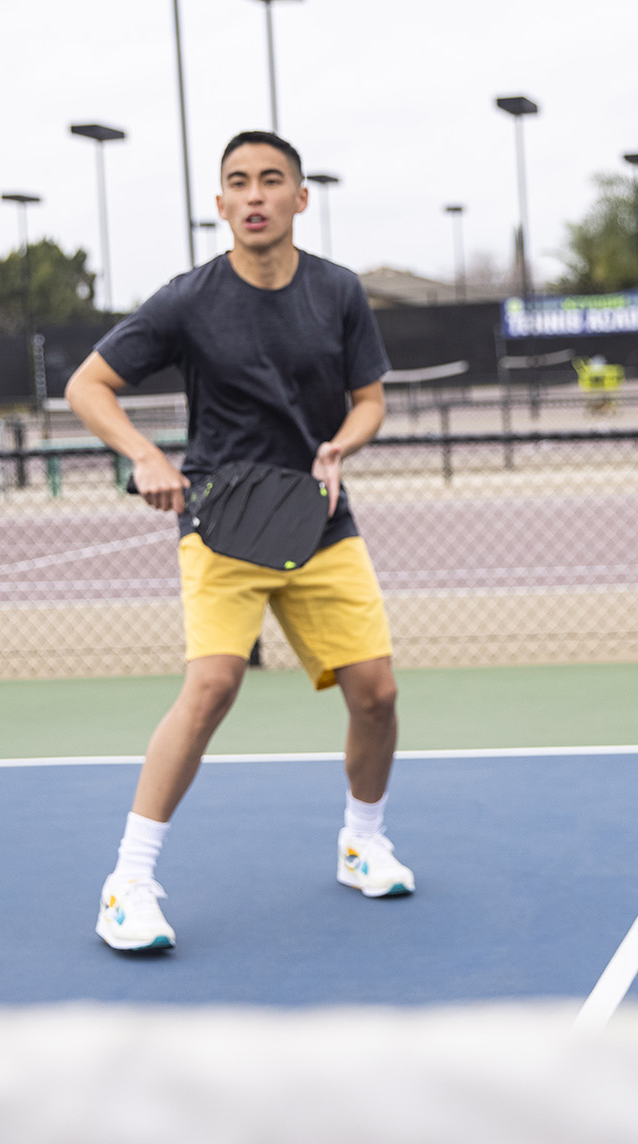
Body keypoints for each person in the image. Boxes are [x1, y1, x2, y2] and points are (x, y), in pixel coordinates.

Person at [67, 130, 412, 953]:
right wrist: (144, 454)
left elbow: (370, 399)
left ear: (300, 197)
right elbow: (90, 384)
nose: (254, 195)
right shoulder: (189, 300)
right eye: (237, 183)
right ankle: (128, 885)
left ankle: (362, 839)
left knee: (377, 694)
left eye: (271, 180)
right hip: (221, 523)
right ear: (219, 205)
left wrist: (340, 444)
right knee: (213, 686)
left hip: (319, 518)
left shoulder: (337, 292)